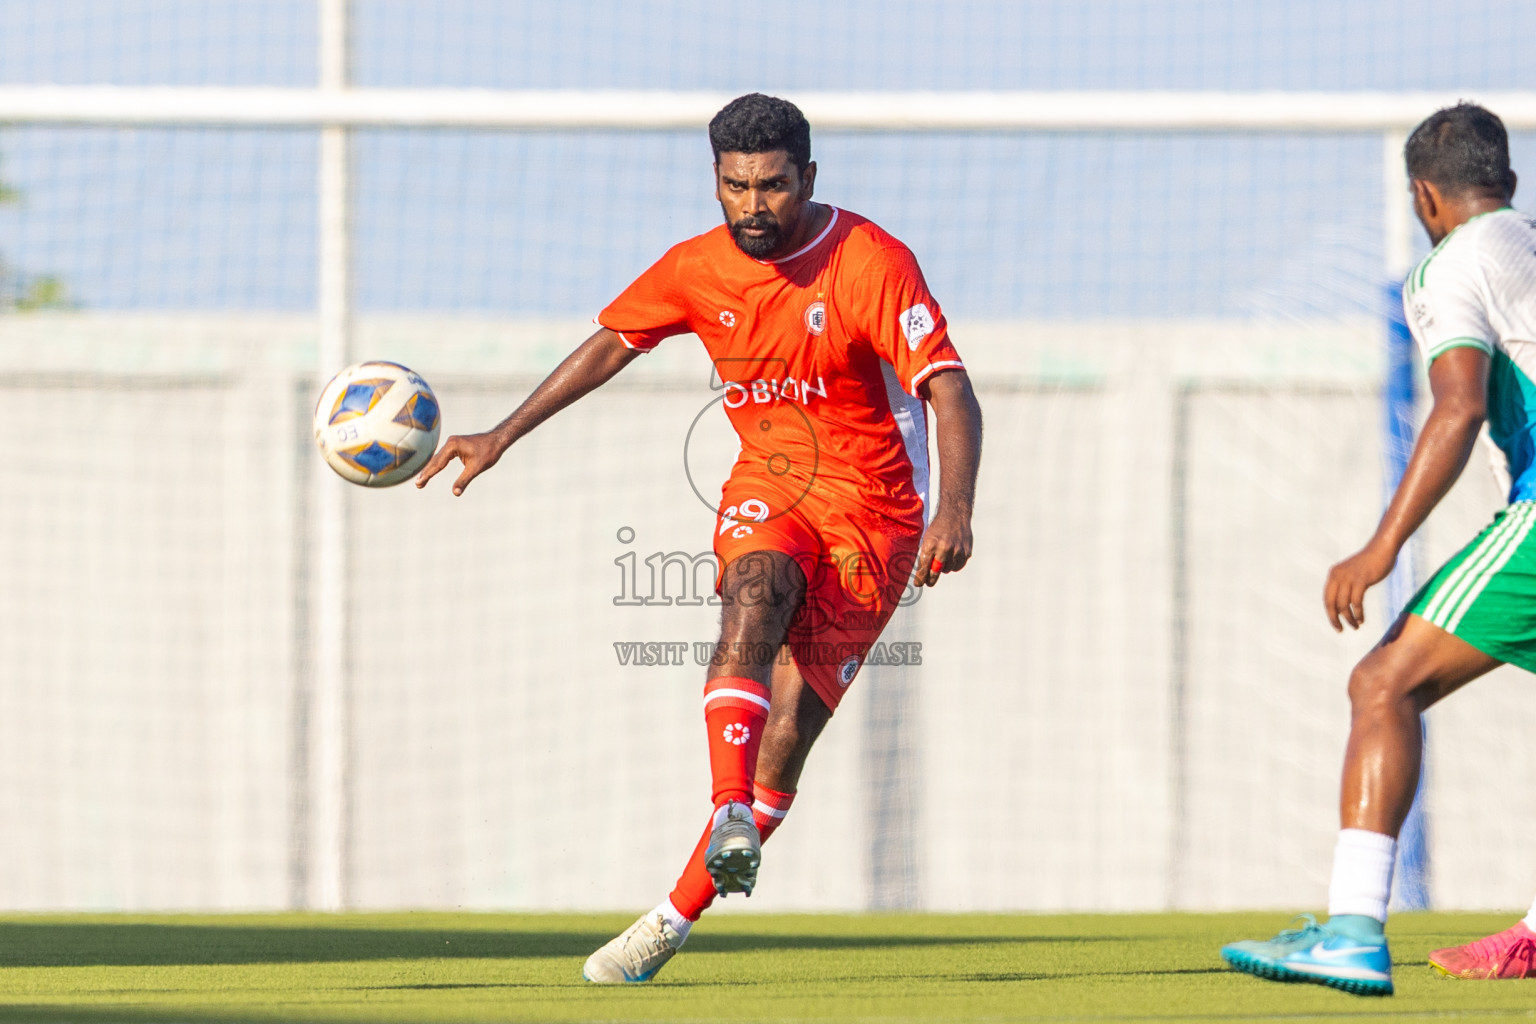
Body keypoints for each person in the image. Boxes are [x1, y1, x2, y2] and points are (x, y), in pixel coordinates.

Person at [416, 93, 983, 983]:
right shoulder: (697, 267)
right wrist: (502, 434)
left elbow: (950, 388)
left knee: (788, 733)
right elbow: (611, 344)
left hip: (877, 514)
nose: (754, 206)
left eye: (773, 186)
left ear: (808, 178)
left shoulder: (870, 262)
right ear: (715, 181)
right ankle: (727, 808)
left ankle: (671, 920)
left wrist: (955, 509)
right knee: (754, 594)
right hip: (773, 484)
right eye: (735, 186)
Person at [1222, 102, 1536, 995]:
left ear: (1424, 197)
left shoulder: (1451, 263)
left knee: (1382, 683)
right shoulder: (1527, 244)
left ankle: (1353, 930)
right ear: (1509, 183)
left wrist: (1380, 547)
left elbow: (1458, 405)